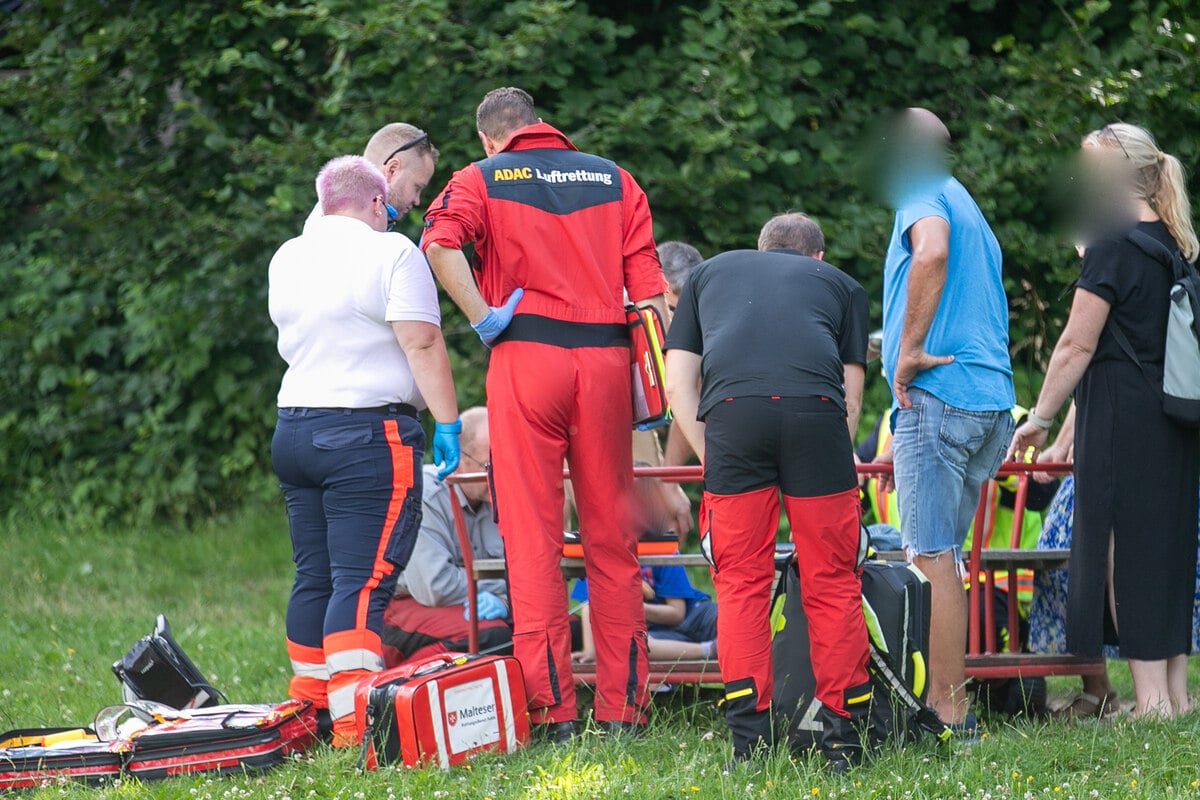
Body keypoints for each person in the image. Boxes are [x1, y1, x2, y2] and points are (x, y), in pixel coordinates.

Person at [421, 87, 667, 741]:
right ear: (543, 127)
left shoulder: (479, 179)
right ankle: (625, 713)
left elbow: (440, 245)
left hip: (527, 361)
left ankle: (551, 712)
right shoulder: (615, 179)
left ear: (490, 140)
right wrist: (655, 394)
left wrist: (482, 317)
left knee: (533, 543)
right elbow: (651, 298)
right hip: (607, 367)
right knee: (612, 545)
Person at [664, 212, 871, 772]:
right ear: (817, 260)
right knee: (832, 581)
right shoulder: (843, 287)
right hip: (816, 415)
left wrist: (712, 452)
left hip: (734, 418)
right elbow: (849, 397)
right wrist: (828, 452)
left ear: (759, 249)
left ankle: (748, 746)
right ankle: (842, 742)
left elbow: (677, 378)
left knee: (739, 586)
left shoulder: (708, 277)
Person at [269, 155, 461, 746]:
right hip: (364, 433)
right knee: (363, 580)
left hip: (294, 427)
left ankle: (307, 712)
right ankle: (353, 726)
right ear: (378, 204)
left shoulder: (288, 255)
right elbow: (422, 340)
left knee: (316, 576)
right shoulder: (392, 251)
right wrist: (448, 423)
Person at [1010, 123, 1200, 718]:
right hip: (1174, 415)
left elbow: (1074, 345)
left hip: (1122, 415)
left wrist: (1039, 418)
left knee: (1126, 550)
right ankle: (1172, 693)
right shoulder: (1174, 241)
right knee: (1167, 548)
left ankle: (1149, 703)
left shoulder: (1113, 244)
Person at [877, 108, 1015, 736]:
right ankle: (948, 705)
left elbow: (929, 252)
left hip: (939, 396)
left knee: (928, 557)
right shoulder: (968, 204)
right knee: (945, 559)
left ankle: (948, 713)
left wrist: (906, 350)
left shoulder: (921, 188)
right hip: (988, 399)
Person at [381, 407, 512, 667]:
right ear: (459, 459)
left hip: (467, 601)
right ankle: (394, 683)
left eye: (506, 462)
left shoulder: (497, 494)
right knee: (492, 636)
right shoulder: (422, 494)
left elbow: (524, 571)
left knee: (565, 629)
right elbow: (435, 587)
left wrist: (506, 601)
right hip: (403, 605)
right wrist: (506, 592)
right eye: (489, 464)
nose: (499, 475)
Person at [304, 122, 438, 232]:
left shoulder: (329, 215)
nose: (417, 200)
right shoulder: (346, 224)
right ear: (392, 170)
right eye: (417, 187)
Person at [572, 565, 717, 663]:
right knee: (629, 645)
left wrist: (630, 608)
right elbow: (589, 605)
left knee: (732, 620)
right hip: (652, 633)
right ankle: (710, 649)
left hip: (695, 613)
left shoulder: (659, 547)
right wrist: (590, 652)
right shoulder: (597, 559)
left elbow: (677, 614)